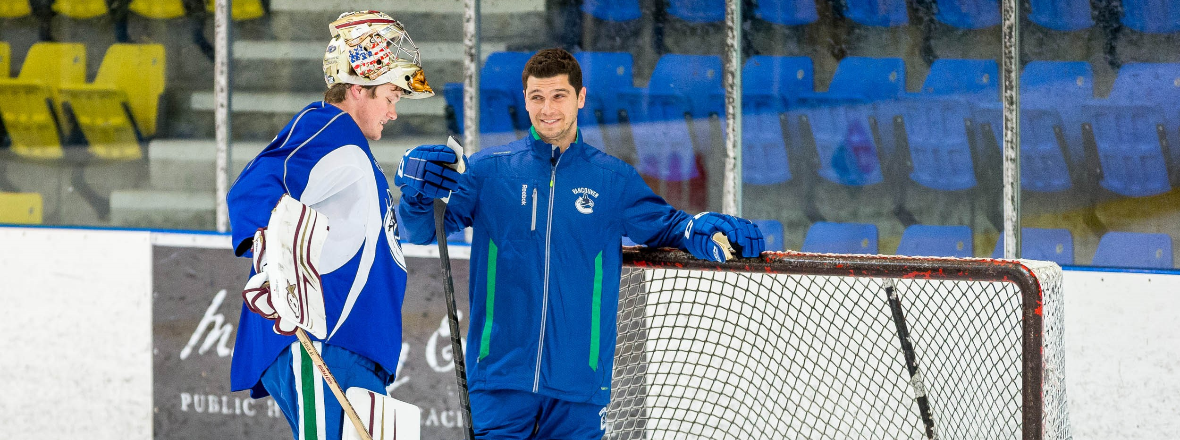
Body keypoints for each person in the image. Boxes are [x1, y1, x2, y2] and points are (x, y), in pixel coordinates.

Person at [396, 48, 765, 439]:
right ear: (525, 100)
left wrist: (703, 229)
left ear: (581, 98)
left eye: (559, 96)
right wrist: (416, 197)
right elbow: (421, 232)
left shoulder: (612, 180)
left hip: (579, 387)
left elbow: (670, 227)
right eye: (537, 97)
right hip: (499, 379)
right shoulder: (488, 170)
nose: (547, 108)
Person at [225, 11, 434, 440]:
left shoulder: (351, 148)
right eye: (390, 96)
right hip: (327, 342)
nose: (394, 112)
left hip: (350, 348)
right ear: (358, 89)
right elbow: (251, 190)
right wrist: (271, 259)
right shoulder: (329, 127)